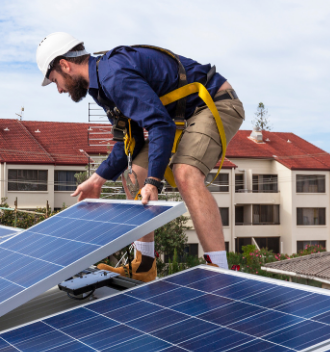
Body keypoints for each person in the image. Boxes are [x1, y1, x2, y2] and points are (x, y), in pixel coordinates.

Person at [36, 32, 245, 281]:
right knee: (134, 174)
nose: (59, 89)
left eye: (55, 80)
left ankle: (219, 273)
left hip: (214, 102)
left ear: (64, 64)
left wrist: (154, 181)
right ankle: (144, 266)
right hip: (177, 117)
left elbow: (160, 125)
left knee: (185, 173)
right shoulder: (100, 85)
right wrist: (97, 179)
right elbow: (129, 142)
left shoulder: (113, 74)